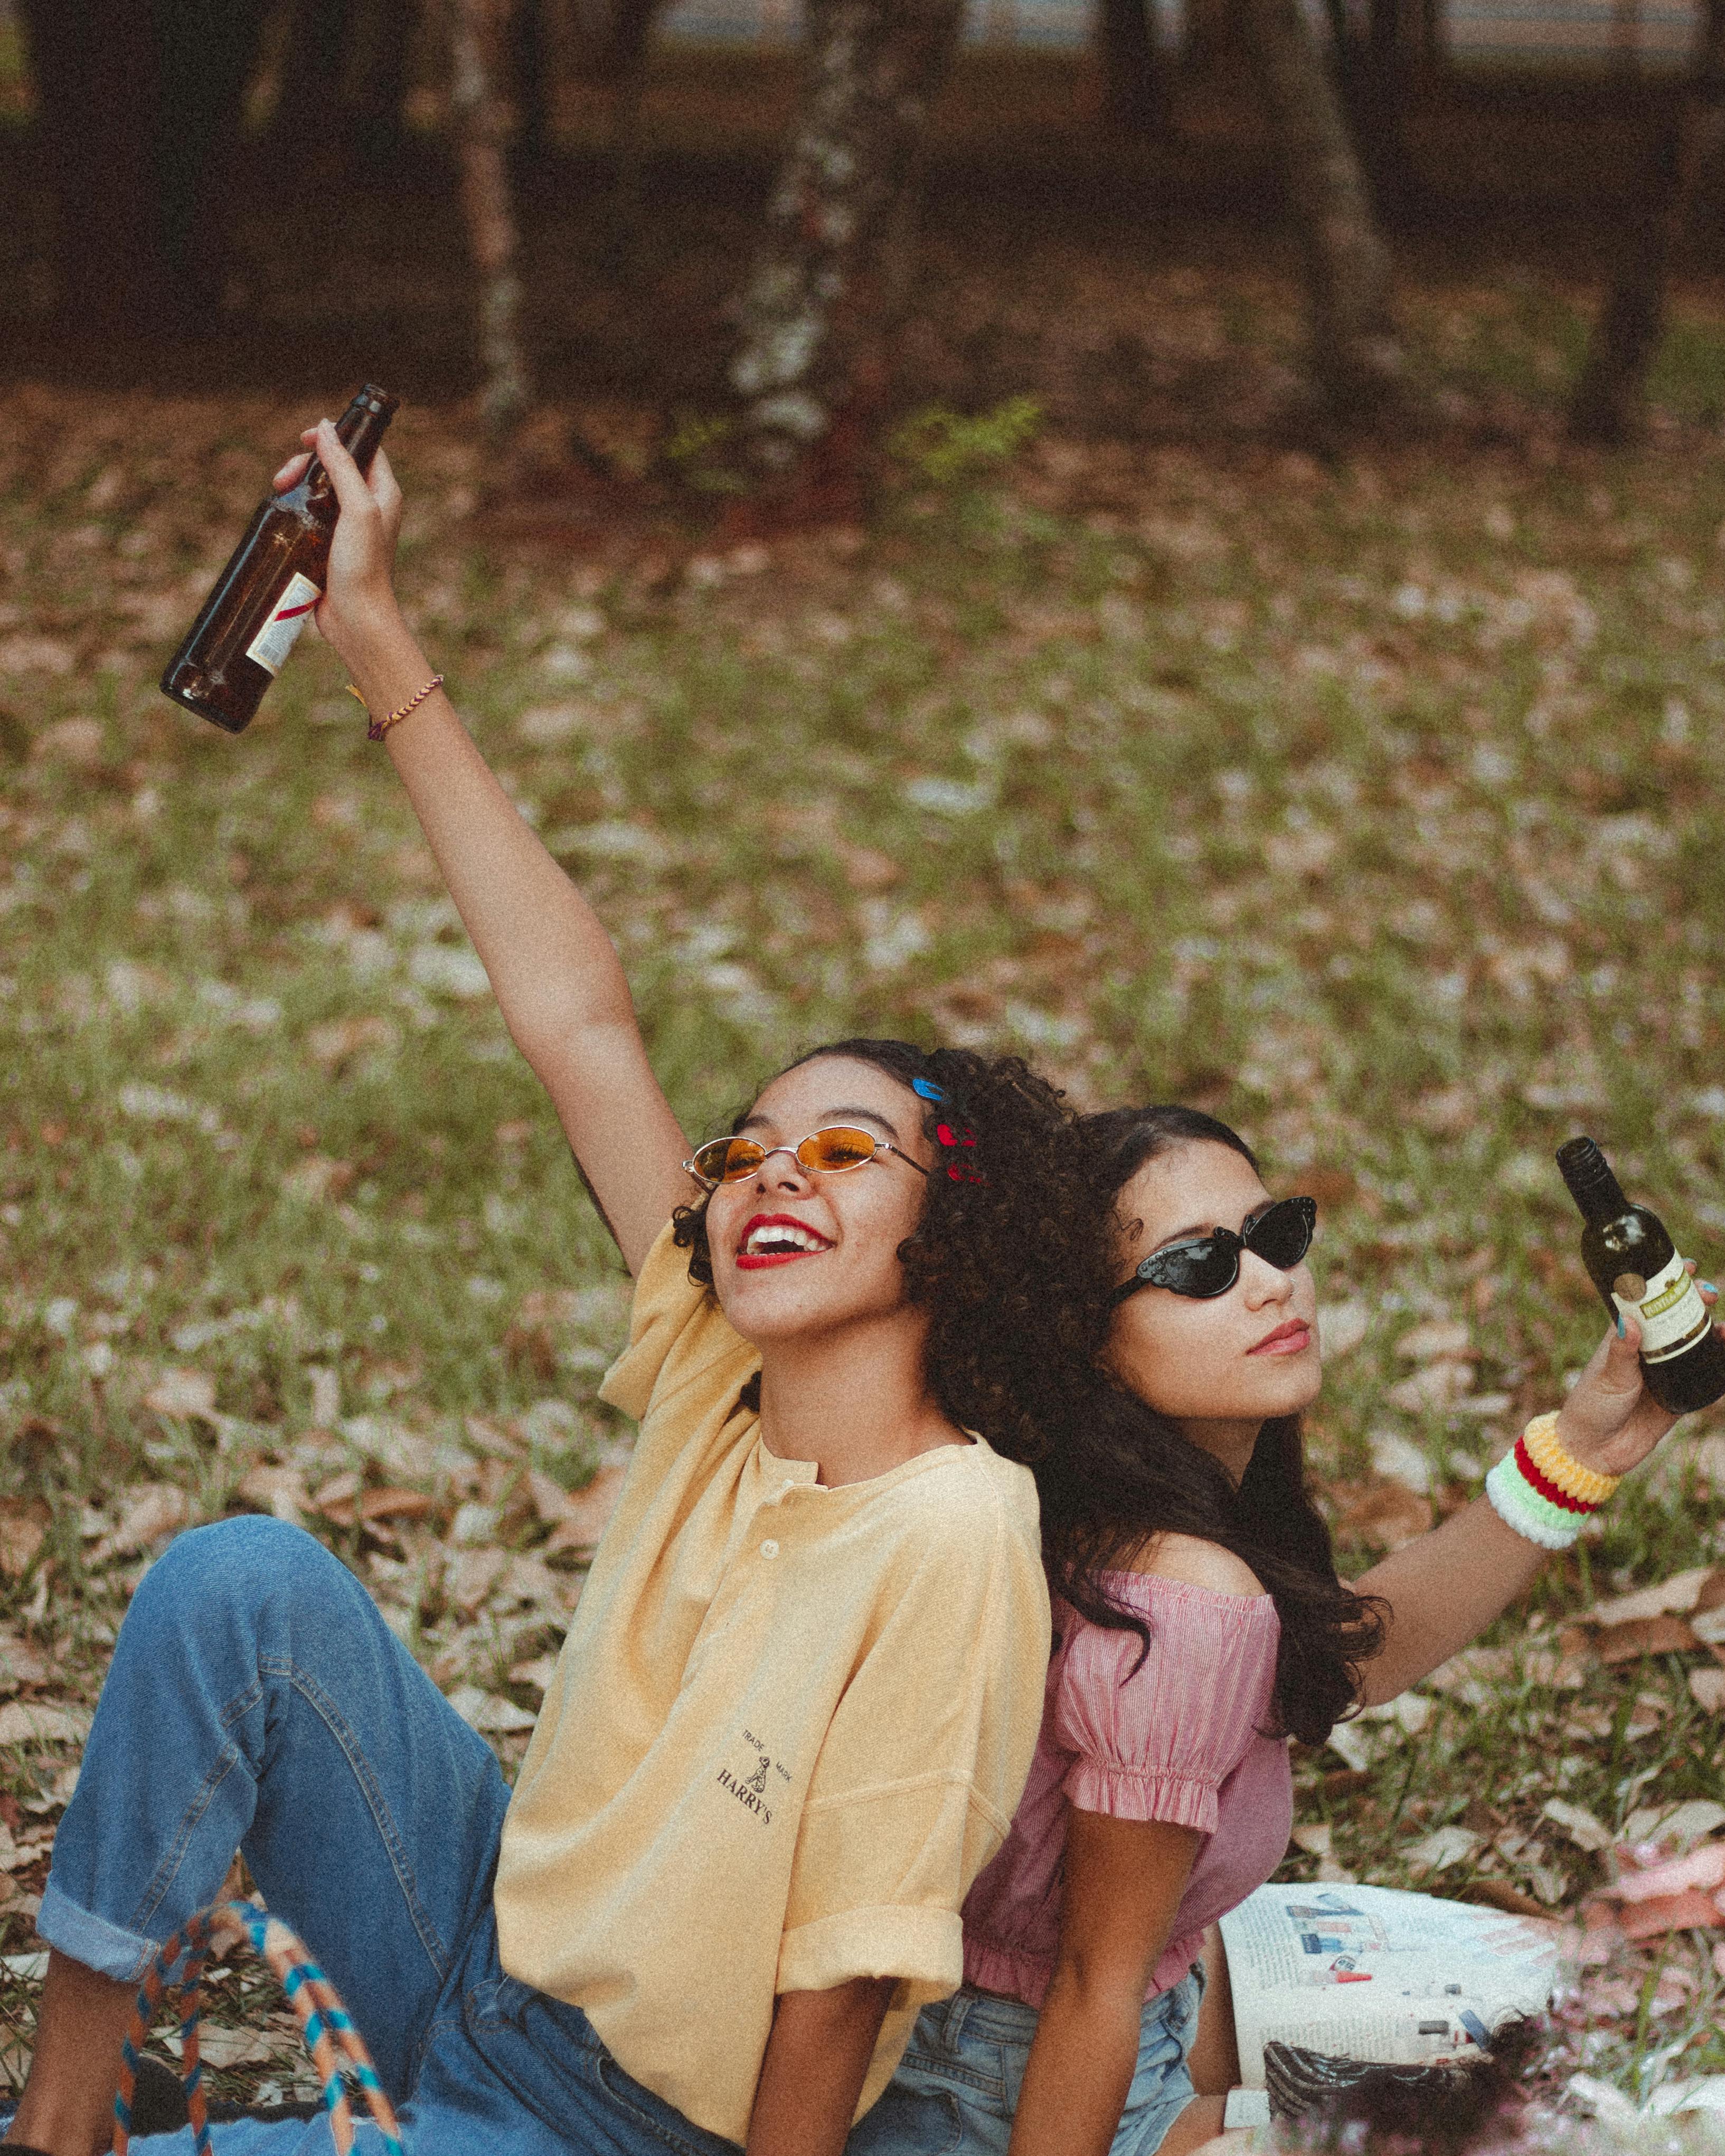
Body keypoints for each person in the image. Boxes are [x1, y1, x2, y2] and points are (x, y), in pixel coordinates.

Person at [0, 420, 1118, 2156]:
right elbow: (577, 1017)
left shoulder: (949, 1533)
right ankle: (60, 2119)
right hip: (482, 1955)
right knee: (243, 1585)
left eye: (841, 1155)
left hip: (623, 2133)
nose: (764, 1175)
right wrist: (369, 629)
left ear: (952, 1237)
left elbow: (835, 1986)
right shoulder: (709, 1367)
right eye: (749, 1147)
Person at [850, 1103, 1714, 2156]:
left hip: (1106, 2004)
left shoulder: (1121, 1515)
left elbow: (1344, 1657)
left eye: (1274, 1235)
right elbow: (1090, 1988)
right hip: (1028, 2089)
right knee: (1615, 2130)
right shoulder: (1180, 1596)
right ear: (1084, 1338)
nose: (1267, 1279)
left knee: (1562, 2010)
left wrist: (1576, 1452)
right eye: (1195, 1265)